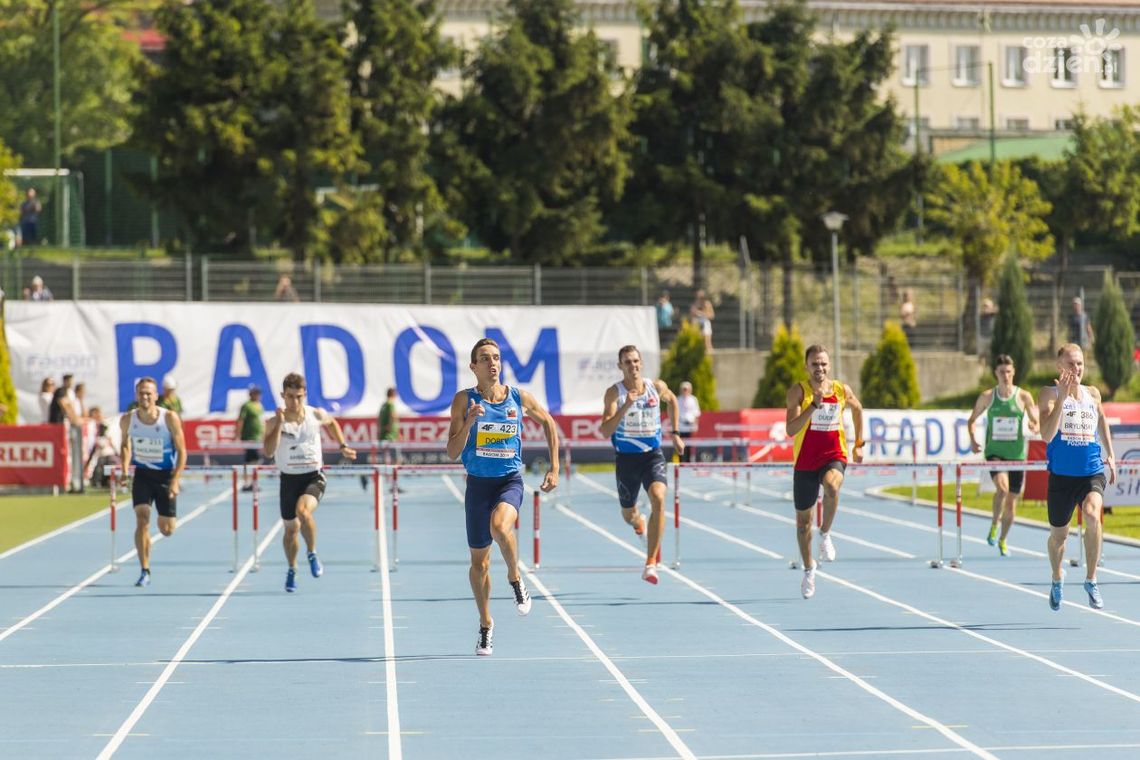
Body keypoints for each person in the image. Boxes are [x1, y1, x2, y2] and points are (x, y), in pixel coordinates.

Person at [446, 338, 559, 656]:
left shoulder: (518, 397)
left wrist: (555, 468)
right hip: (478, 486)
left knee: (500, 526)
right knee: (479, 564)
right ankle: (486, 625)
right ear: (474, 367)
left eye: (496, 357)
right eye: (485, 359)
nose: (492, 363)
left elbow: (549, 423)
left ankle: (514, 576)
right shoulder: (462, 401)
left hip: (509, 480)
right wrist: (469, 421)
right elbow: (453, 452)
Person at [1038, 344, 1117, 611]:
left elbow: (1102, 420)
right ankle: (1057, 576)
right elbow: (1046, 435)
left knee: (1094, 515)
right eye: (1071, 364)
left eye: (1080, 364)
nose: (1076, 369)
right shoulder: (1048, 394)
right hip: (1062, 476)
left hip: (1090, 472)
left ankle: (1091, 579)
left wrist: (1111, 454)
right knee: (1059, 537)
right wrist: (1062, 398)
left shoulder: (1092, 394)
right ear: (1060, 367)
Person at [598, 344, 684, 585]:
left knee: (659, 498)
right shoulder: (614, 393)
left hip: (652, 455)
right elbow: (605, 430)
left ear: (641, 363)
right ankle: (638, 524)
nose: (633, 366)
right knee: (628, 514)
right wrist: (626, 405)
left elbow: (673, 401)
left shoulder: (656, 387)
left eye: (636, 361)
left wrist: (675, 433)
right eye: (627, 362)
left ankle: (650, 563)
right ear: (620, 366)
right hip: (626, 459)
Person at [785, 345, 865, 600]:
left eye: (823, 364)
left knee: (832, 486)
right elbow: (790, 429)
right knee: (802, 525)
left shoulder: (841, 390)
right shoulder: (798, 392)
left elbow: (858, 409)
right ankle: (809, 568)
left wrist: (859, 444)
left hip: (833, 455)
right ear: (806, 367)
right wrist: (812, 407)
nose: (819, 368)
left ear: (828, 366)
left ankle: (826, 534)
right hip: (805, 462)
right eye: (814, 364)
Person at [264, 372, 356, 593]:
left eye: (298, 397)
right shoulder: (272, 421)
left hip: (313, 476)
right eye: (289, 397)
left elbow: (332, 423)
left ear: (304, 395)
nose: (294, 402)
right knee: (290, 532)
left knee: (303, 512)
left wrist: (342, 445)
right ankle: (292, 568)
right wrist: (279, 424)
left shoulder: (315, 414)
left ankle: (312, 553)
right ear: (282, 396)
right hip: (288, 480)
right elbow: (268, 452)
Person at [966, 355, 1040, 556]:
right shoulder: (987, 397)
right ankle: (993, 524)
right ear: (995, 374)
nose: (1005, 376)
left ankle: (1003, 539)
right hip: (994, 453)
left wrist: (1034, 425)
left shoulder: (1024, 396)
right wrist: (973, 439)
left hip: (1016, 454)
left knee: (1012, 501)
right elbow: (971, 420)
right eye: (1001, 372)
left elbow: (1036, 420)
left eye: (1008, 372)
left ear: (1013, 372)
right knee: (1002, 488)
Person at [119, 377, 187, 587]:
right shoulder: (129, 419)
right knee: (142, 518)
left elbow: (183, 450)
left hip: (165, 475)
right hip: (143, 474)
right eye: (141, 393)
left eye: (149, 393)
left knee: (167, 529)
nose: (145, 397)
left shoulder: (169, 418)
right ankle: (144, 569)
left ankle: (153, 535)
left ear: (156, 396)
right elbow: (125, 445)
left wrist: (176, 480)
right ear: (136, 395)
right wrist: (124, 470)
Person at [237, 386, 265, 491]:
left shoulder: (260, 406)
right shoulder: (246, 406)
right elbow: (240, 420)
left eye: (259, 393)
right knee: (254, 459)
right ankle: (248, 482)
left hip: (257, 438)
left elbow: (261, 422)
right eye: (255, 393)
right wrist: (238, 434)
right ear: (251, 394)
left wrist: (264, 434)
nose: (258, 395)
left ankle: (250, 482)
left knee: (252, 460)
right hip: (249, 437)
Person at [675, 380, 701, 463]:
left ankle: (688, 462)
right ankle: (680, 462)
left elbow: (696, 413)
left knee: (689, 446)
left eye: (686, 389)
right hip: (680, 426)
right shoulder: (677, 399)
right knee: (680, 445)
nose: (685, 391)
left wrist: (695, 425)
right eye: (683, 389)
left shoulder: (693, 399)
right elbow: (675, 413)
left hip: (689, 426)